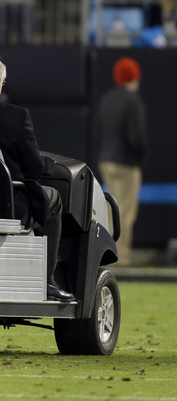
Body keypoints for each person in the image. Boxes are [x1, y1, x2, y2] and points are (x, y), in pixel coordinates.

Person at [0, 53, 74, 302]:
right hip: (6, 207)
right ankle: (46, 280)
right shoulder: (16, 116)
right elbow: (34, 169)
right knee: (53, 198)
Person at [97, 57, 148, 267]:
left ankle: (108, 256)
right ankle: (122, 257)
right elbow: (136, 137)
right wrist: (141, 156)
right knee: (125, 212)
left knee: (111, 211)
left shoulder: (107, 99)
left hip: (106, 160)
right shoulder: (132, 100)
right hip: (125, 163)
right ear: (135, 75)